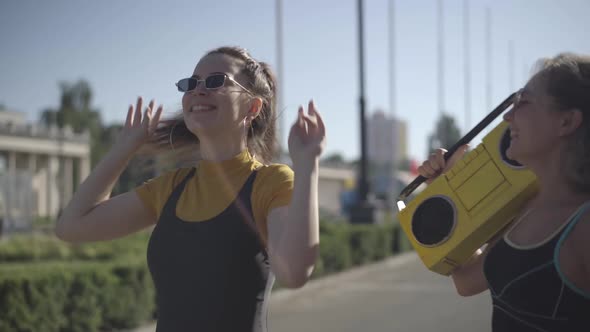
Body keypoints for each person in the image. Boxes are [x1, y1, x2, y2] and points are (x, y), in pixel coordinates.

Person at [55, 46, 326, 331]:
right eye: (191, 83)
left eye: (215, 81)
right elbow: (72, 226)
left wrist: (308, 165)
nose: (198, 90)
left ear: (252, 107)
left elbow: (294, 273)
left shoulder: (271, 182)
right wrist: (124, 148)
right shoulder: (172, 187)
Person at [418, 52, 590, 331]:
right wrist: (445, 192)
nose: (508, 116)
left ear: (566, 122)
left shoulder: (583, 224)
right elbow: (467, 281)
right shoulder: (525, 208)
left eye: (524, 102)